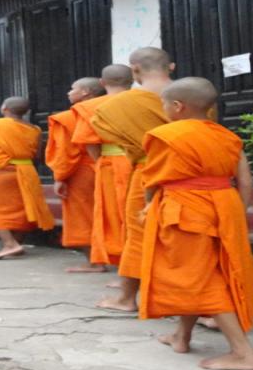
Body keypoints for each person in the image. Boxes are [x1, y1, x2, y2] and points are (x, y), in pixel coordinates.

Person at [140, 77, 253, 370]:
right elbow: (245, 181)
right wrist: (237, 213)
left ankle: (243, 353)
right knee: (199, 271)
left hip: (185, 209)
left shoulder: (167, 135)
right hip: (225, 203)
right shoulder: (227, 136)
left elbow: (154, 180)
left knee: (200, 277)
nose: (164, 109)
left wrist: (147, 206)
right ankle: (182, 335)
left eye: (164, 104)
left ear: (177, 106)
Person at [90, 48, 174, 312]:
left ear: (134, 69)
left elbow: (110, 134)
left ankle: (127, 298)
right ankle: (207, 308)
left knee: (138, 234)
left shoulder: (116, 105)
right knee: (188, 237)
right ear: (171, 67)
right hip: (190, 173)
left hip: (148, 171)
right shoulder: (192, 95)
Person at [0, 96, 55, 260]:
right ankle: (16, 243)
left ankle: (10, 244)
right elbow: (37, 155)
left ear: (4, 108)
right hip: (26, 171)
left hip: (1, 172)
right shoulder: (34, 128)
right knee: (22, 208)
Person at [71, 64, 134, 272]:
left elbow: (89, 141)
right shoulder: (148, 101)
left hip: (112, 162)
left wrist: (101, 161)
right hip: (144, 161)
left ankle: (127, 268)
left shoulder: (90, 107)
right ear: (132, 80)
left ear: (102, 83)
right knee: (137, 214)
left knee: (115, 215)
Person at [45, 77, 105, 271]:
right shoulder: (113, 108)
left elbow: (66, 152)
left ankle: (94, 262)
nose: (68, 93)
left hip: (83, 171)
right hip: (113, 166)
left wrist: (60, 177)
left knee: (84, 215)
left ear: (86, 92)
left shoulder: (71, 117)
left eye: (73, 89)